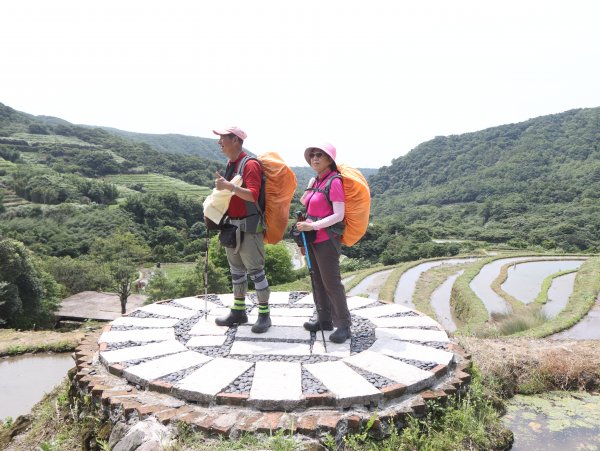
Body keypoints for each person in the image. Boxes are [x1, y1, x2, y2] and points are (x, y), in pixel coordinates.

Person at [211, 126, 271, 333]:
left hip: (250, 227)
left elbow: (253, 195)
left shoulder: (250, 164)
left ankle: (264, 315)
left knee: (256, 272)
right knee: (236, 272)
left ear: (236, 140)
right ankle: (239, 311)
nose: (220, 142)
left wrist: (230, 187)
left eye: (223, 138)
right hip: (232, 226)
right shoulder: (231, 163)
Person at [296, 143, 351, 344]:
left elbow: (339, 214)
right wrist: (310, 185)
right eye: (312, 156)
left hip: (326, 239)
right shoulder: (317, 181)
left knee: (331, 283)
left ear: (330, 160)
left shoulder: (334, 181)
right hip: (312, 238)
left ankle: (343, 325)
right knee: (316, 280)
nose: (315, 158)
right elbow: (304, 202)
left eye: (320, 155)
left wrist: (314, 226)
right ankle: (324, 319)